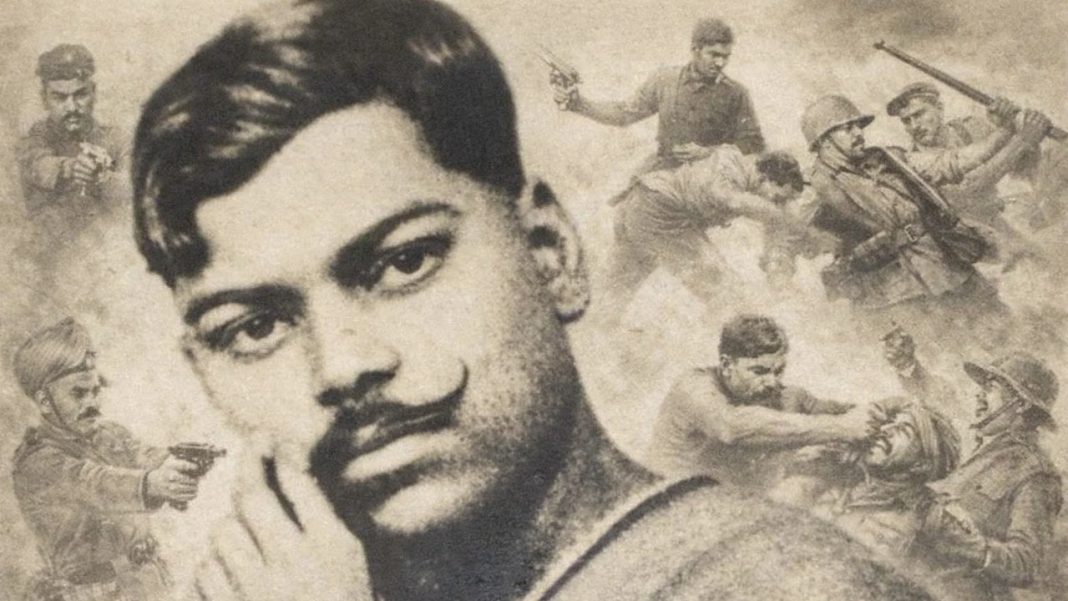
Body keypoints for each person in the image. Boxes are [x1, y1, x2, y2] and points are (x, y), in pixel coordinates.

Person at [130, 1, 939, 600]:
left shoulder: (779, 584)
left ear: (549, 253)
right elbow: (627, 112)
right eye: (254, 326)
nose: (341, 365)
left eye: (406, 261)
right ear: (201, 368)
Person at [801, 94, 1050, 347]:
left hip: (943, 266)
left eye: (858, 126)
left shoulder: (886, 158)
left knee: (1006, 331)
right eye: (847, 128)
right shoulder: (814, 189)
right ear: (824, 140)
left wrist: (1010, 130)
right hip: (894, 296)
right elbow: (805, 244)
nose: (858, 133)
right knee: (947, 353)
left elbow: (953, 162)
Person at [11, 318, 203, 600]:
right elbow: (95, 483)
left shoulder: (109, 434)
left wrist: (174, 463)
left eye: (95, 391)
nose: (92, 403)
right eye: (78, 393)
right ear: (44, 402)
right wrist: (151, 484)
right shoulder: (37, 462)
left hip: (145, 583)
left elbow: (143, 454)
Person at [646, 314, 872, 492]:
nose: (772, 382)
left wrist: (871, 418)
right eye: (759, 371)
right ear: (727, 365)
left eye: (779, 370)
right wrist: (841, 429)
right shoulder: (694, 388)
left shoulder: (782, 395)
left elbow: (841, 412)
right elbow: (730, 426)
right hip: (672, 501)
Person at [918, 352, 1063, 601]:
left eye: (990, 387)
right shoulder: (982, 450)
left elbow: (1026, 564)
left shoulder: (1037, 474)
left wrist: (968, 545)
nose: (979, 395)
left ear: (1021, 404)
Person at [601, 147, 806, 316]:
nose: (775, 203)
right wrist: (778, 216)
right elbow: (729, 199)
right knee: (727, 291)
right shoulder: (731, 164)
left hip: (638, 206)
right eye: (778, 197)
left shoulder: (735, 165)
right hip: (660, 210)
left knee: (616, 292)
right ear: (766, 179)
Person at [552, 17, 765, 176]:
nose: (720, 63)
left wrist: (708, 153)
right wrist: (578, 103)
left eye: (725, 56)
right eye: (714, 55)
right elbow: (624, 114)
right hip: (664, 173)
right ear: (695, 50)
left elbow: (754, 145)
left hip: (712, 180)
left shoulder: (736, 93)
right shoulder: (665, 80)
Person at [887, 82, 1042, 267]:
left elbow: (1023, 168)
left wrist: (1013, 124)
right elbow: (977, 182)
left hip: (1006, 219)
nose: (914, 126)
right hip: (974, 244)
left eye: (919, 114)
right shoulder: (915, 161)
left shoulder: (969, 127)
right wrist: (1020, 138)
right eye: (906, 121)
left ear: (939, 108)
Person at [788, 398, 960, 564]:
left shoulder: (930, 517)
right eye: (889, 422)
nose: (885, 429)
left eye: (902, 430)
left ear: (921, 465)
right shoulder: (832, 467)